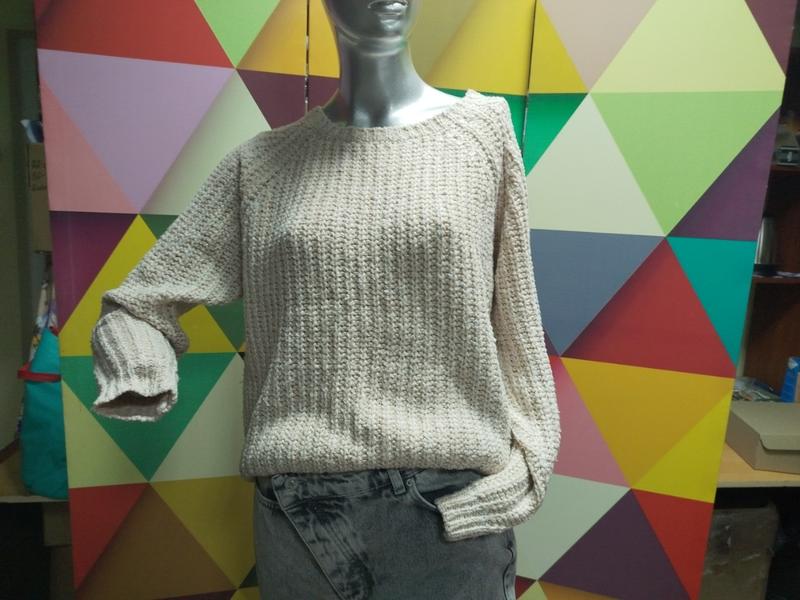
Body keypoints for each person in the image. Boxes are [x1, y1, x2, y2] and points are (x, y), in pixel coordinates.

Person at [89, 1, 561, 598]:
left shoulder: (481, 134)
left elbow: (516, 315)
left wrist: (533, 456)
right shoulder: (262, 164)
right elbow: (136, 304)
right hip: (301, 516)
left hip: (447, 511)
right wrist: (139, 367)